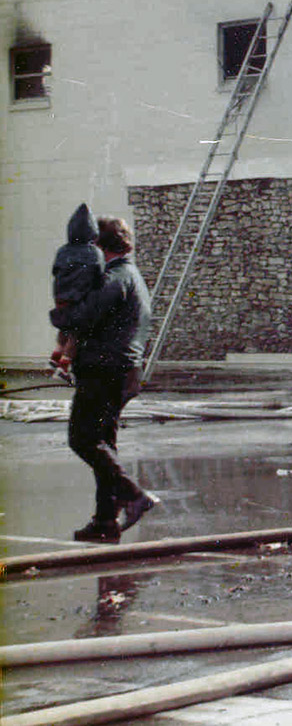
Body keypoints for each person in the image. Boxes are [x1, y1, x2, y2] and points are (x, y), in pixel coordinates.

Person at [50, 216, 158, 543]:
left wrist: (61, 314)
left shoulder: (115, 277)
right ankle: (105, 521)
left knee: (82, 439)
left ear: (98, 246)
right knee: (103, 445)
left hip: (105, 371)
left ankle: (134, 494)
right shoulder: (130, 274)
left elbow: (85, 314)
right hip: (121, 371)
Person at [49, 203, 106, 382]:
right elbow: (99, 277)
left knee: (65, 327)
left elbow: (55, 271)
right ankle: (64, 367)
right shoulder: (94, 252)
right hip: (81, 299)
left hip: (61, 297)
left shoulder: (62, 251)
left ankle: (55, 356)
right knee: (78, 332)